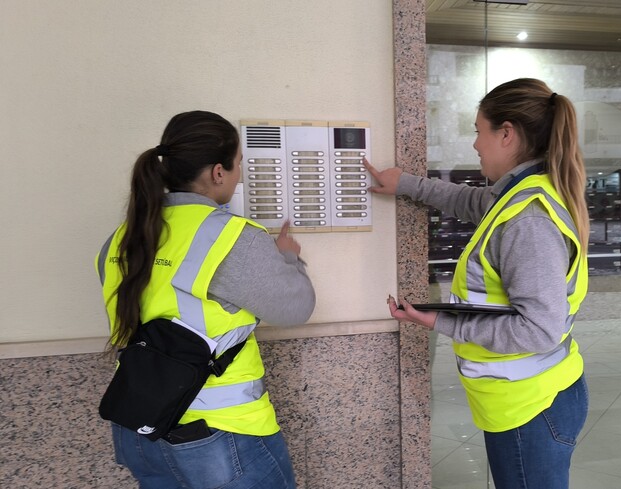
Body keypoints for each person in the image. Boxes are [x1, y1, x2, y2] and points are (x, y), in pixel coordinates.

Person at [366, 78, 589, 489]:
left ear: (506, 134)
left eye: (478, 131)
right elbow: (470, 202)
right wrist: (406, 184)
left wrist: (444, 322)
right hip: (530, 399)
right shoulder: (519, 195)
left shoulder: (529, 220)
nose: (475, 144)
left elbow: (539, 330)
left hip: (532, 406)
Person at [95, 110, 315, 489]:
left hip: (138, 425)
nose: (239, 174)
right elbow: (297, 307)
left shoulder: (122, 237)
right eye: (238, 163)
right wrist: (288, 258)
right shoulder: (230, 237)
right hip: (218, 433)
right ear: (218, 172)